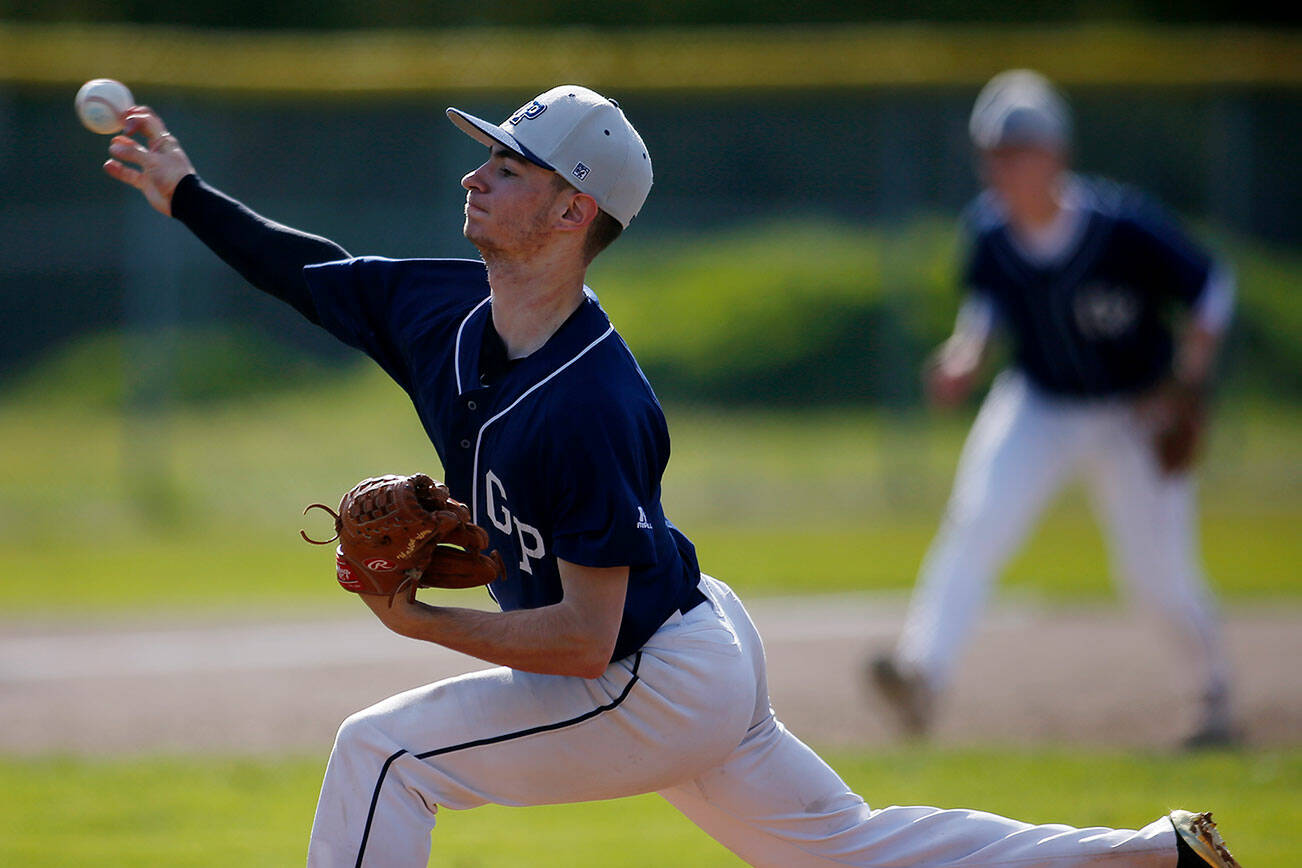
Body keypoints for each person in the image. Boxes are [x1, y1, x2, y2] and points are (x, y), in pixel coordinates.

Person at [104, 83, 1237, 867]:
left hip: (648, 676)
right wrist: (187, 195)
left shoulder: (597, 404)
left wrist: (421, 620)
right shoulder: (442, 308)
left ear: (570, 209)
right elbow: (313, 273)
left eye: (508, 165)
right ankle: (1146, 854)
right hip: (696, 642)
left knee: (382, 752)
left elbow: (583, 643)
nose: (477, 175)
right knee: (846, 849)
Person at [868, 70, 1237, 750]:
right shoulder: (989, 232)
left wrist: (1190, 381)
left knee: (1155, 578)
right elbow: (985, 310)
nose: (1002, 165)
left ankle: (1215, 692)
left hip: (1134, 413)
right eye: (993, 152)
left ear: (1055, 155)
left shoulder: (1121, 226)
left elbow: (1213, 287)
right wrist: (963, 355)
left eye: (1018, 150)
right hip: (1038, 403)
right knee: (976, 525)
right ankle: (923, 674)